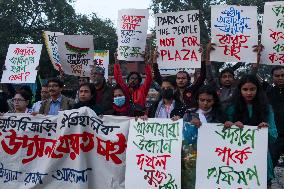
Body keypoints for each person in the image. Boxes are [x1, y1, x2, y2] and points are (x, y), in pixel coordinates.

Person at [224, 74, 278, 186]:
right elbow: (223, 133)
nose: (249, 93)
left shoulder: (267, 108)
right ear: (239, 90)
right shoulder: (231, 108)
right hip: (236, 159)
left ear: (258, 90)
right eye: (245, 89)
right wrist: (232, 125)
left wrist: (265, 129)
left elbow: (274, 135)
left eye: (252, 89)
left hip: (260, 158)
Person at [267, 66, 284, 168]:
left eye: (283, 75)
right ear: (272, 77)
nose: (280, 78)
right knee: (270, 163)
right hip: (275, 135)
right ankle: (266, 183)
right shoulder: (268, 93)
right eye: (277, 76)